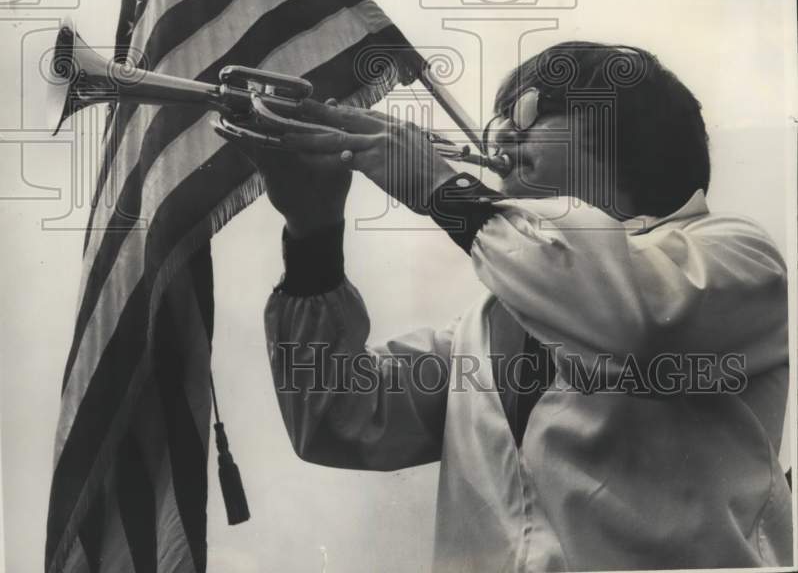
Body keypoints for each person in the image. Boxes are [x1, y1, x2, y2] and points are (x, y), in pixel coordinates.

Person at [215, 41, 792, 572]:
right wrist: (314, 231)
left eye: (529, 114)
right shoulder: (486, 327)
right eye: (500, 120)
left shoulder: (735, 254)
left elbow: (629, 320)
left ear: (631, 136)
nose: (500, 138)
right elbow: (339, 417)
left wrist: (446, 192)